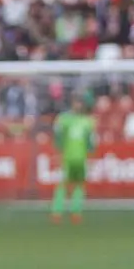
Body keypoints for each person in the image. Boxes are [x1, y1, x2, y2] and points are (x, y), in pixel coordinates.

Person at [51, 93, 95, 224]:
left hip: (81, 157)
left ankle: (76, 211)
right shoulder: (64, 119)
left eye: (80, 102)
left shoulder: (88, 121)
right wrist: (58, 153)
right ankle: (57, 211)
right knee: (63, 184)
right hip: (67, 156)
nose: (78, 105)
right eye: (76, 102)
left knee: (79, 184)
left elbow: (90, 142)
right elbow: (58, 138)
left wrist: (91, 155)